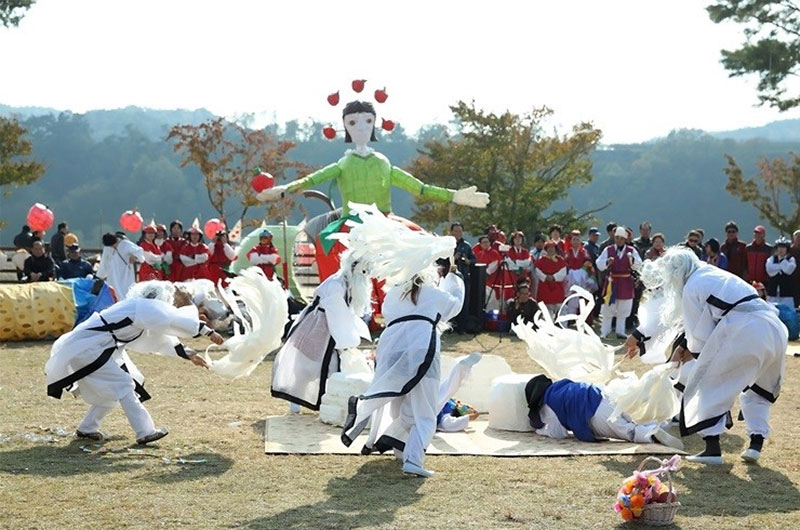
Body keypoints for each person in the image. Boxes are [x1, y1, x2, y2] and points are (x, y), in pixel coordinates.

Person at [256, 99, 489, 281]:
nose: (360, 128)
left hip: (386, 220)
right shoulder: (343, 164)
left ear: (375, 123)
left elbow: (420, 188)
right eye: (353, 122)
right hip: (351, 224)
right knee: (326, 244)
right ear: (345, 126)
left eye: (367, 121)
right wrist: (285, 189)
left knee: (419, 244)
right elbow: (312, 179)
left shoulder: (383, 164)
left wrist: (454, 195)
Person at [624, 248, 787, 464]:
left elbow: (699, 337)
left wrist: (687, 353)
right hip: (774, 327)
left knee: (705, 385)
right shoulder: (713, 273)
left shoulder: (692, 286)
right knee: (758, 388)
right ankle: (755, 445)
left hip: (745, 329)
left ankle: (712, 450)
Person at [44, 281, 224, 444]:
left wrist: (189, 354)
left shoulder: (137, 310)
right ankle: (145, 431)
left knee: (113, 391)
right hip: (88, 348)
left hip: (93, 348)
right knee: (123, 385)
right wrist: (208, 332)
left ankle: (87, 428)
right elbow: (172, 320)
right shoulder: (143, 307)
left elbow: (158, 337)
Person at [342, 262, 465, 478]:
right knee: (425, 412)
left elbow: (389, 315)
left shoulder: (393, 294)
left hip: (391, 349)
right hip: (421, 347)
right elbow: (455, 305)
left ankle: (401, 449)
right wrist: (454, 278)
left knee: (398, 406)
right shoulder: (432, 292)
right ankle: (413, 459)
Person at [271, 250, 372, 412]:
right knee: (309, 366)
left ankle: (328, 405)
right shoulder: (336, 285)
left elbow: (346, 314)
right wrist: (347, 341)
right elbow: (337, 315)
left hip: (327, 328)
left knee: (326, 368)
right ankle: (298, 402)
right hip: (318, 327)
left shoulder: (346, 284)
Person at [525, 375, 682, 449]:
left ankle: (651, 434)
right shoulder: (561, 385)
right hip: (606, 394)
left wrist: (540, 431)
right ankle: (655, 425)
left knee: (627, 432)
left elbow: (558, 433)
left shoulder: (547, 405)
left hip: (595, 414)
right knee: (633, 417)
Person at [596, 227, 642, 339]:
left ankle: (620, 331)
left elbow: (639, 264)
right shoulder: (608, 249)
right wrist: (607, 262)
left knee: (624, 307)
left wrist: (632, 260)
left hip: (626, 281)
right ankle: (605, 331)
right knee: (608, 307)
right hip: (612, 281)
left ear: (625, 239)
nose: (619, 240)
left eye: (621, 238)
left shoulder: (631, 250)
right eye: (617, 238)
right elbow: (599, 263)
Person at [97, 233, 144, 299]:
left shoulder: (126, 244)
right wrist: (100, 275)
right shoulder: (107, 247)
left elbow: (139, 251)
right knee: (113, 293)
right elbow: (104, 262)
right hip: (112, 274)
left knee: (126, 291)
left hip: (125, 273)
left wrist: (135, 257)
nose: (112, 247)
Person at [450, 222, 475, 333]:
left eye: (460, 231)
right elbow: (440, 261)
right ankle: (449, 327)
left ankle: (462, 328)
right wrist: (453, 258)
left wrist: (468, 261)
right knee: (449, 302)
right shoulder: (447, 245)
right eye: (455, 231)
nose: (458, 233)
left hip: (464, 278)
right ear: (451, 232)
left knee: (464, 302)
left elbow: (474, 260)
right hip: (450, 279)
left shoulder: (466, 245)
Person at [564, 230, 595, 315]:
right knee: (571, 297)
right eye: (574, 239)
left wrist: (586, 266)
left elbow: (589, 263)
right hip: (570, 278)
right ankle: (570, 316)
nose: (576, 242)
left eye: (577, 240)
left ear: (580, 241)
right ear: (571, 241)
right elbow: (565, 264)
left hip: (582, 277)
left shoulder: (584, 252)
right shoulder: (567, 252)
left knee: (582, 298)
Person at [534, 240, 567, 319]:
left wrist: (554, 277)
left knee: (560, 307)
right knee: (546, 309)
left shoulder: (560, 260)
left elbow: (563, 272)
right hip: (545, 287)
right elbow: (537, 271)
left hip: (557, 287)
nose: (551, 249)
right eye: (549, 248)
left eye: (552, 247)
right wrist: (545, 277)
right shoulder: (541, 260)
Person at [766, 237, 796, 307]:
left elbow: (789, 270)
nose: (781, 249)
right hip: (773, 291)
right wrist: (782, 267)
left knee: (787, 312)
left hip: (787, 291)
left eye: (783, 247)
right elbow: (770, 271)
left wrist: (781, 263)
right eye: (779, 247)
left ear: (787, 249)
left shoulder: (791, 259)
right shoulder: (771, 259)